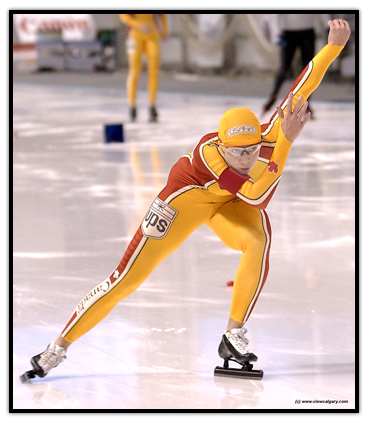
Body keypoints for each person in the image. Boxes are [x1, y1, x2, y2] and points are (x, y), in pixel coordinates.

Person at [21, 19, 350, 381]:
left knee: (258, 239)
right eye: (238, 154)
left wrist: (333, 46)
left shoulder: (269, 136)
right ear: (222, 147)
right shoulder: (211, 155)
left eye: (253, 151)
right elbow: (256, 194)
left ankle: (233, 334)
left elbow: (303, 85)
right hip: (184, 203)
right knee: (126, 279)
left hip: (227, 201)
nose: (246, 159)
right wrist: (286, 144)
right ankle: (57, 347)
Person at [262, 14, 330, 117]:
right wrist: (277, 32)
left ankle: (306, 102)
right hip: (289, 33)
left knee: (309, 70)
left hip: (307, 32)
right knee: (284, 68)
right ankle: (273, 96)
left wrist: (328, 26)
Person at [119, 14, 168, 123]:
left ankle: (152, 105)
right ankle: (132, 106)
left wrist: (164, 29)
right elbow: (123, 16)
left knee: (154, 71)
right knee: (134, 70)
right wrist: (137, 24)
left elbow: (162, 14)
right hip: (134, 35)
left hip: (152, 34)